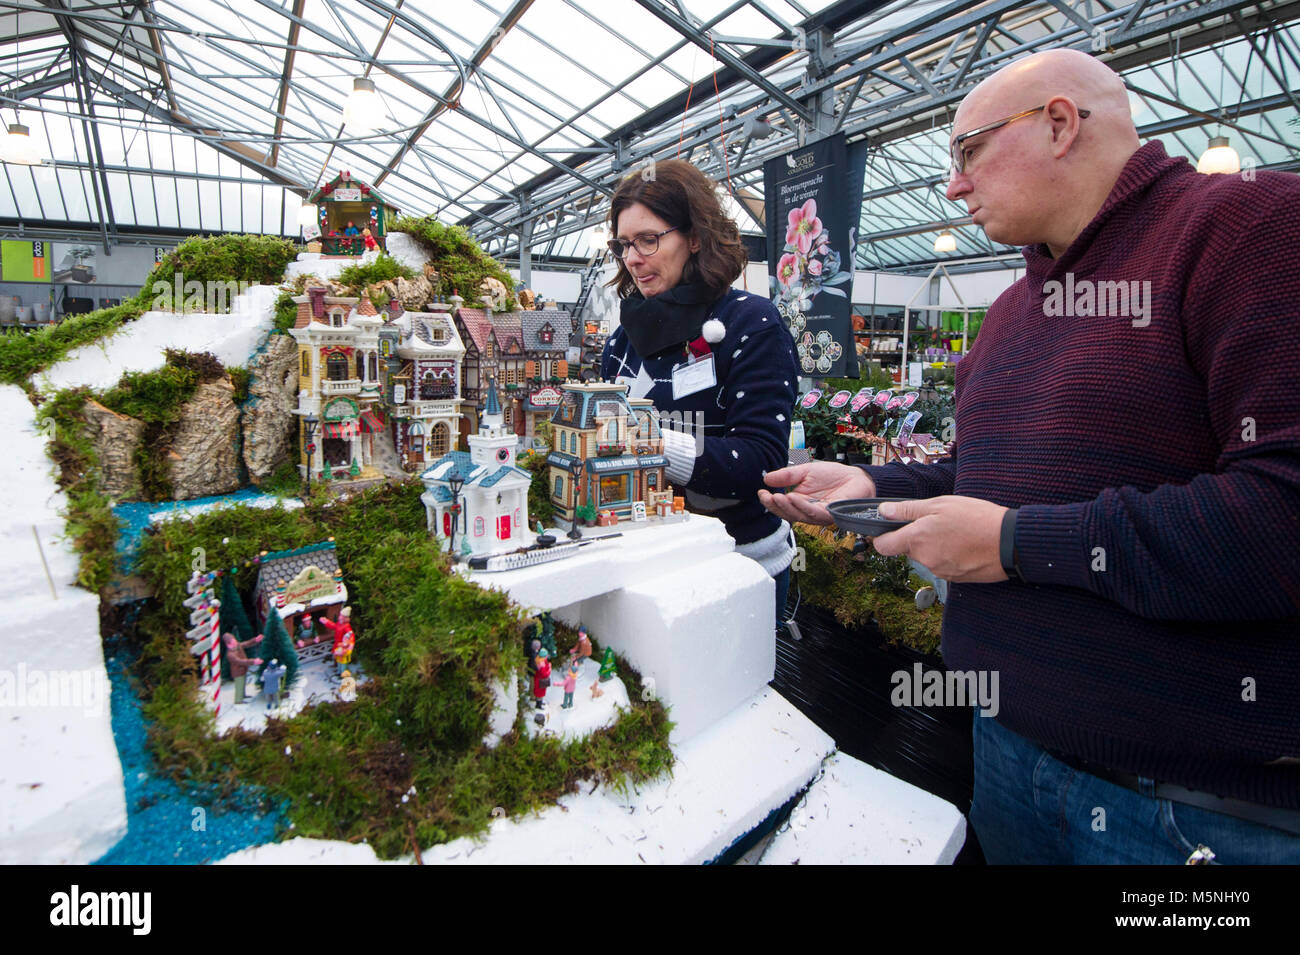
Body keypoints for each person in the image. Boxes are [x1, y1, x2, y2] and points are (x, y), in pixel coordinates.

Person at [761, 48, 1300, 864]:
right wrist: (874, 481)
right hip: (1010, 762)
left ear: (1057, 123)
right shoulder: (1015, 309)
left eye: (969, 149)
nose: (952, 185)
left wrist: (1016, 545)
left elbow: (1281, 514)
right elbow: (987, 476)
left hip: (1187, 812)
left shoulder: (1247, 231)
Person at [600, 160, 799, 627]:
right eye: (624, 244)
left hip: (737, 563)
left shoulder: (751, 323)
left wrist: (645, 442)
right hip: (648, 562)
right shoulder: (622, 339)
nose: (632, 258)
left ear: (694, 236)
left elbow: (763, 461)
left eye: (648, 239)